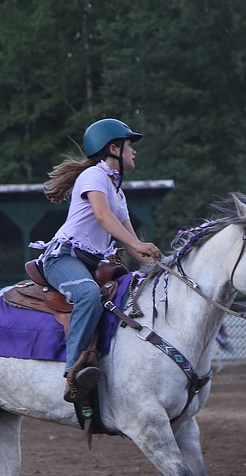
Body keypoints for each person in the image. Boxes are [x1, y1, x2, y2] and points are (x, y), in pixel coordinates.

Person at [35, 117, 161, 405]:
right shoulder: (94, 176)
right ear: (114, 148)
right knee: (89, 294)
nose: (134, 151)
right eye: (130, 145)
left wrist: (150, 258)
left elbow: (130, 242)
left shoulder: (117, 190)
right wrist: (136, 244)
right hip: (62, 257)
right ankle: (73, 370)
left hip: (90, 262)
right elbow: (103, 217)